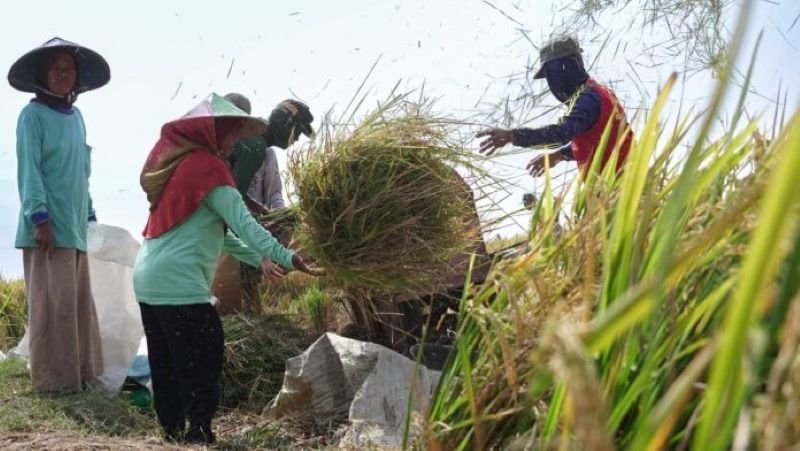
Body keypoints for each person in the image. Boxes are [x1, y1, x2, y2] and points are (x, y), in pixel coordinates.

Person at [133, 93, 322, 444]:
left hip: (147, 279)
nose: (235, 140)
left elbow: (219, 233)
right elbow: (245, 225)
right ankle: (199, 434)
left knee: (166, 363)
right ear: (213, 133)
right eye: (231, 132)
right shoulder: (210, 168)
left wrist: (260, 260)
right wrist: (289, 257)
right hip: (178, 283)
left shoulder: (182, 166)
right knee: (206, 353)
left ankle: (171, 433)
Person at [9, 37, 110, 393]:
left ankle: (79, 374)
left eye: (69, 68)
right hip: (48, 229)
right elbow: (30, 170)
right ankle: (53, 381)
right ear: (42, 74)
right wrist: (40, 219)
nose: (63, 74)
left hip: (75, 226)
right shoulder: (32, 116)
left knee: (76, 306)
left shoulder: (76, 117)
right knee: (52, 308)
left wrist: (90, 213)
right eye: (55, 68)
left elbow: (81, 170)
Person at [477, 37, 634, 178]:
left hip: (620, 188)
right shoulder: (600, 92)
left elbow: (561, 133)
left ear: (563, 69)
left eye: (550, 74)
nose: (551, 82)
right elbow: (598, 141)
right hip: (627, 180)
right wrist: (560, 155)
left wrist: (514, 136)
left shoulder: (587, 100)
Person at [222, 94, 314, 313]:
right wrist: (263, 246)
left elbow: (236, 190)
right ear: (285, 126)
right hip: (223, 230)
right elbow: (231, 203)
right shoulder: (255, 148)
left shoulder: (257, 143)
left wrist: (267, 212)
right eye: (297, 132)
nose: (296, 140)